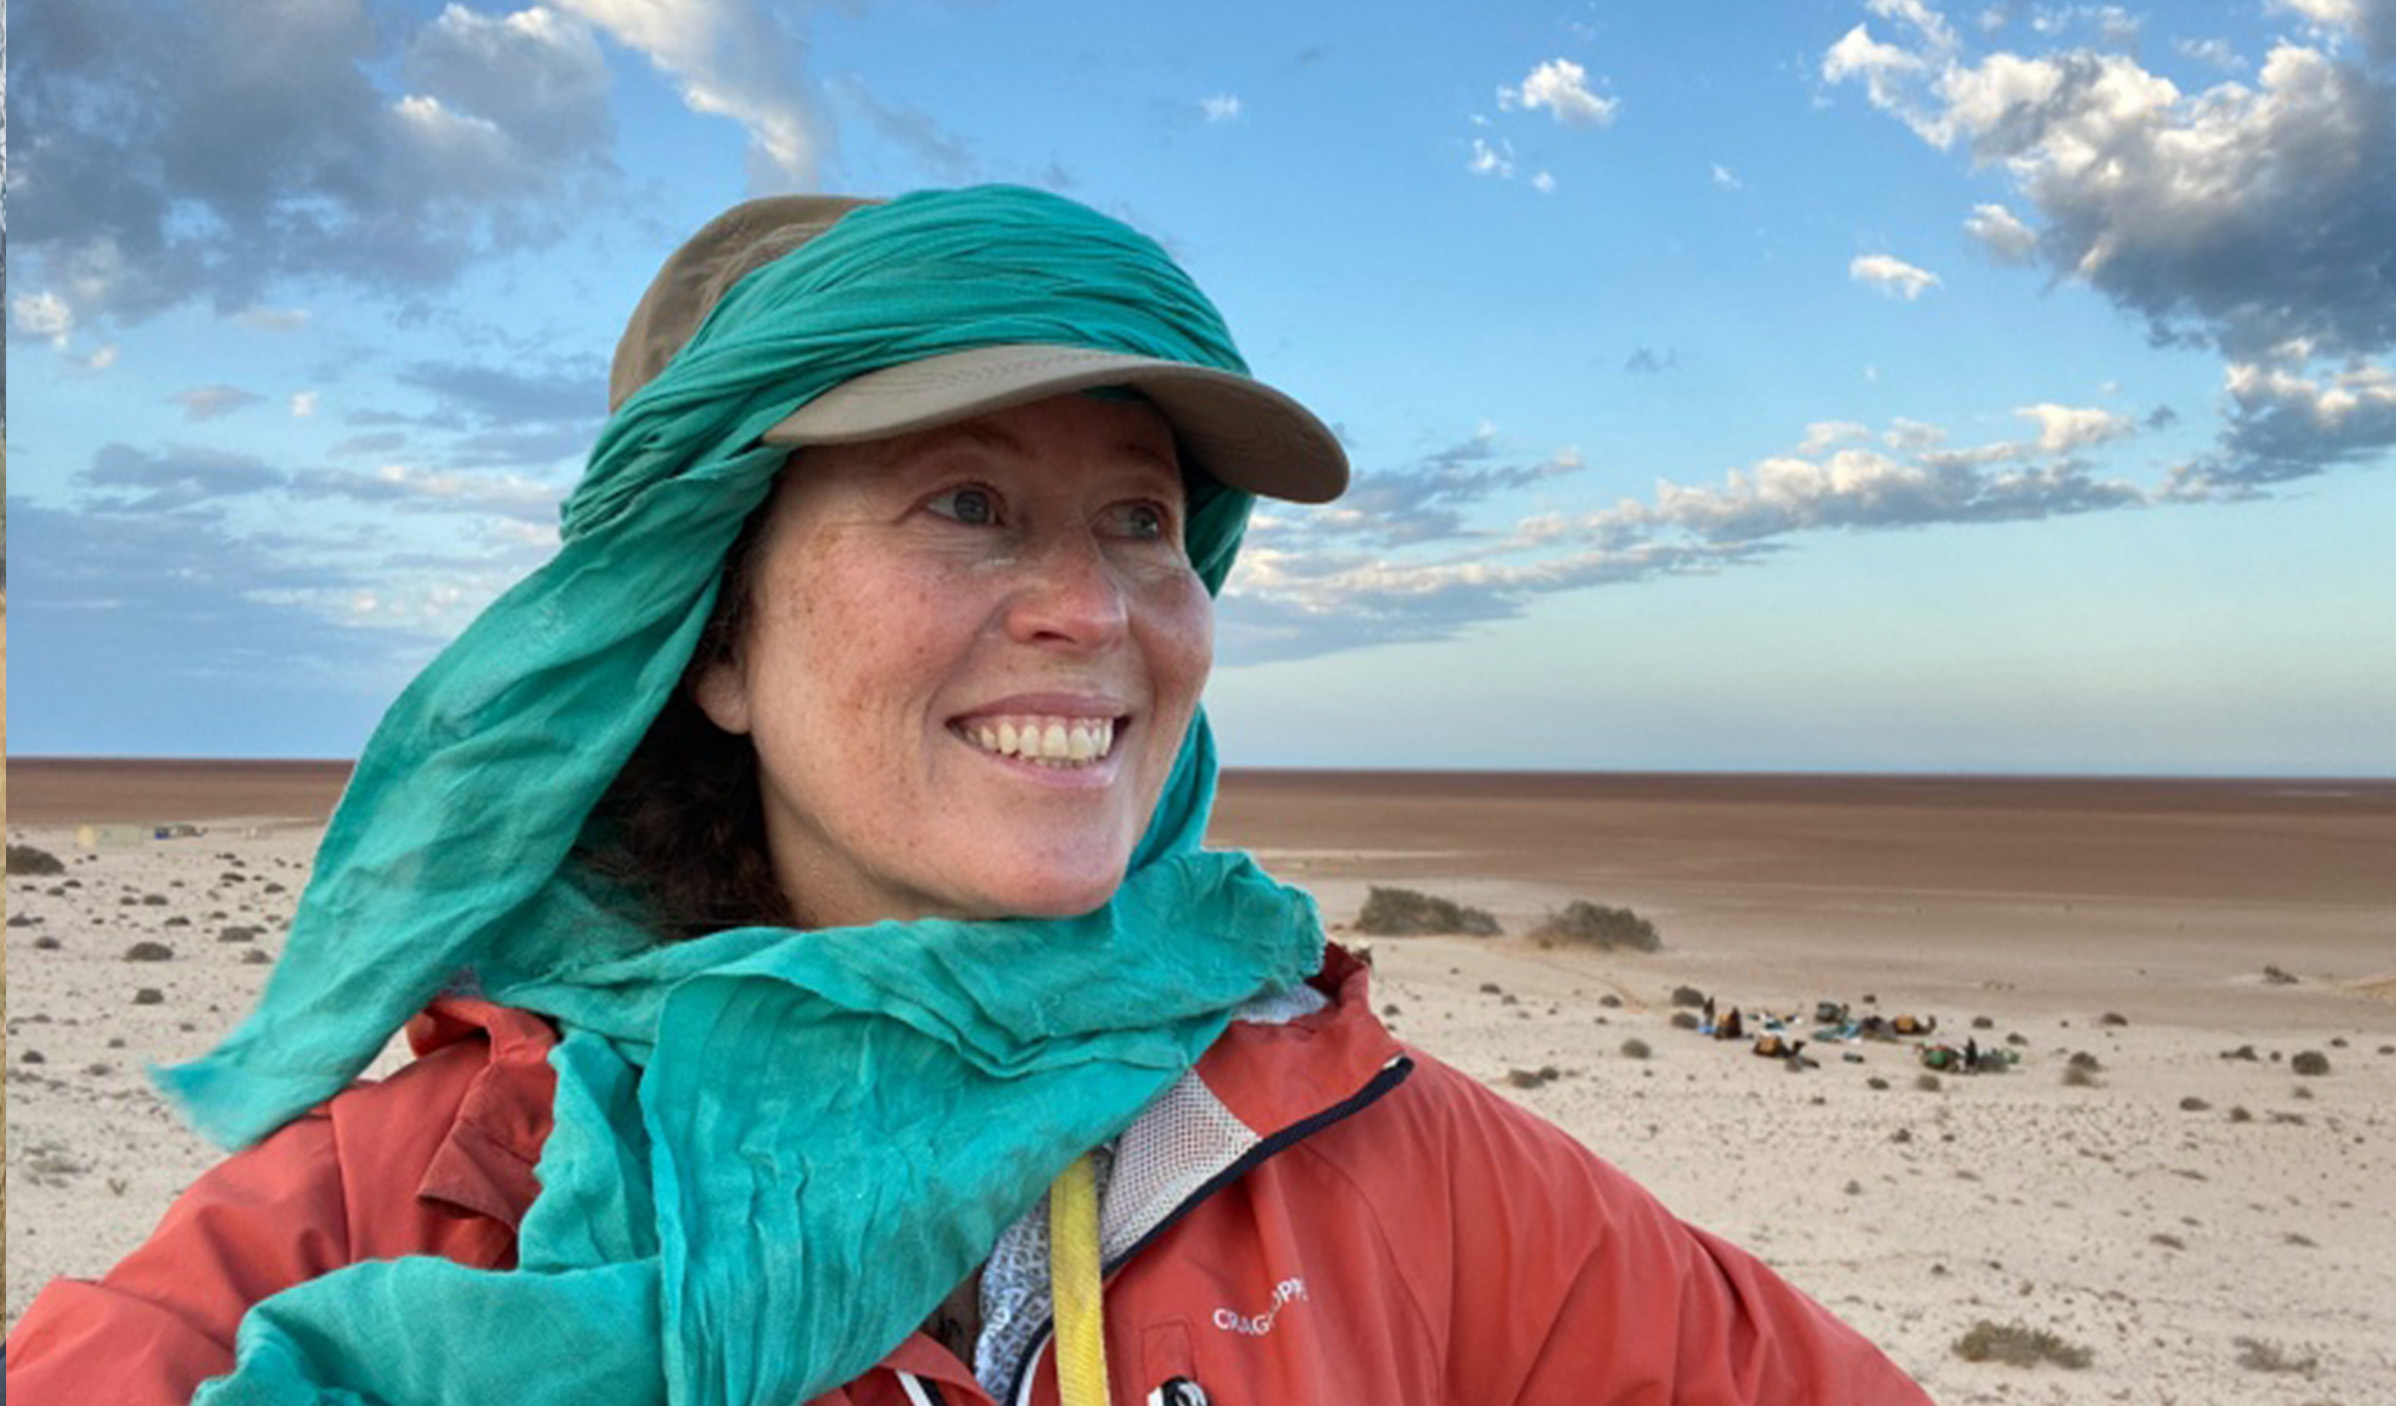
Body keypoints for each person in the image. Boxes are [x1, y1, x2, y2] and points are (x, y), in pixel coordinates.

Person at [6, 187, 1934, 1405]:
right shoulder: (405, 1214)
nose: (1091, 610)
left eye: (1142, 517)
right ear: (715, 638)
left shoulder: (1378, 1159)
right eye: (966, 501)